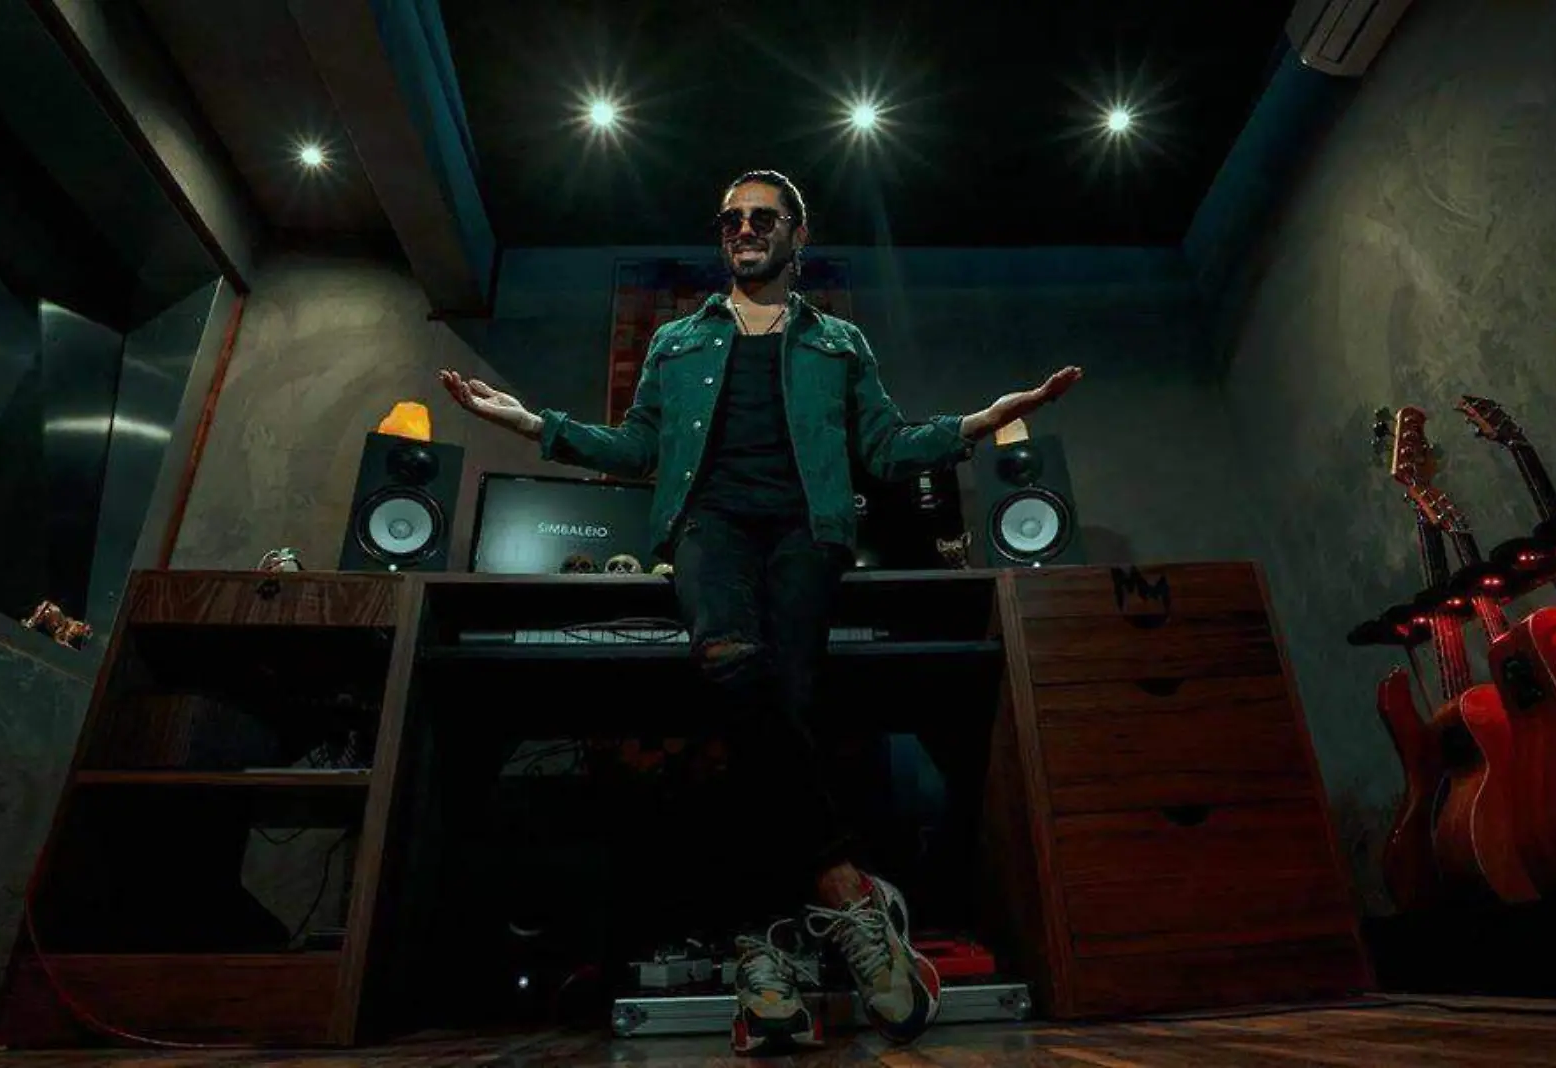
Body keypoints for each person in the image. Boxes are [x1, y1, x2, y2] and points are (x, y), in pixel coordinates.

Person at [439, 169, 1080, 1054]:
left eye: (761, 218)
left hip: (809, 531)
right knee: (729, 663)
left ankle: (762, 950)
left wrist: (978, 423)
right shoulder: (678, 341)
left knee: (776, 715)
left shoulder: (839, 341)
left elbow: (885, 447)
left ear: (796, 234)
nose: (743, 229)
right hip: (708, 525)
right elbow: (636, 446)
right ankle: (847, 888)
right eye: (731, 219)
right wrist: (527, 422)